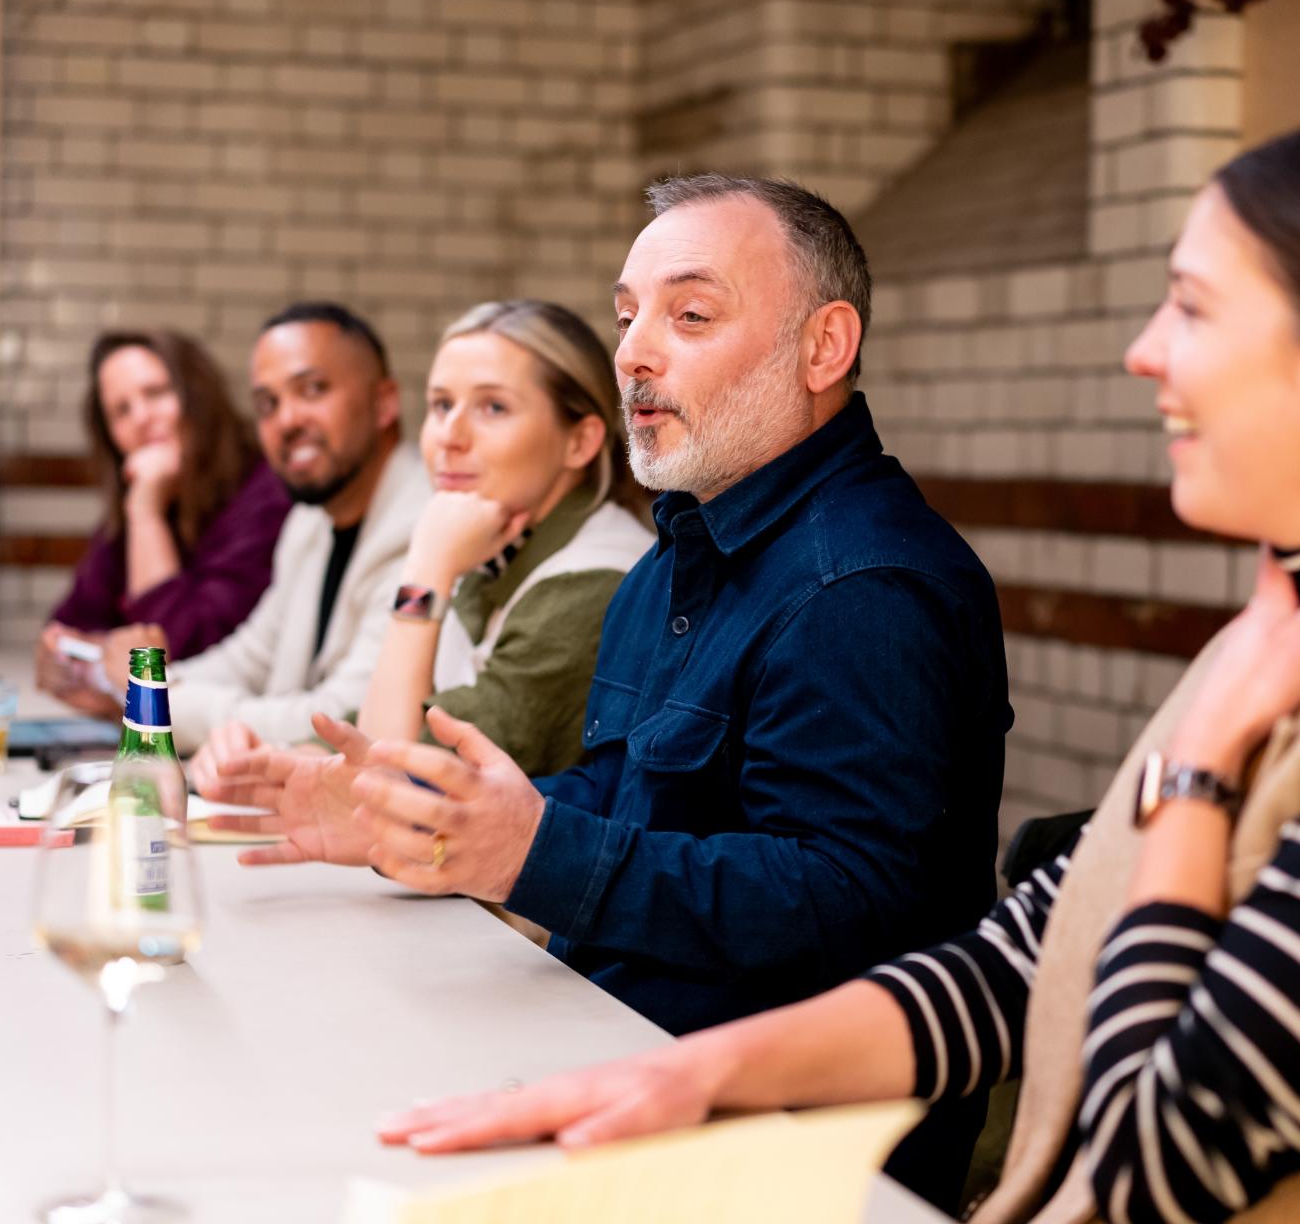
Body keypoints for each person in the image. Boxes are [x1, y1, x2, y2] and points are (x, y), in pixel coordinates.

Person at [369, 123, 1300, 1224]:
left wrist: (1196, 784)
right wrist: (688, 1076)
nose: (1144, 351)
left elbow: (1165, 1155)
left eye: (1192, 308)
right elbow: (1029, 955)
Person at [213, 176, 1012, 1207]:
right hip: (610, 1050)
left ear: (824, 348)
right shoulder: (672, 560)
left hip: (789, 1154)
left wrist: (533, 851)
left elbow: (849, 904)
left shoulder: (864, 585)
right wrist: (433, 822)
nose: (634, 351)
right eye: (628, 314)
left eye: (691, 315)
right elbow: (625, 792)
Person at [189, 299, 652, 798]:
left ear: (579, 442)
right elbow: (371, 730)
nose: (450, 436)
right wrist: (266, 762)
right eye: (441, 405)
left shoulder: (591, 583)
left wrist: (426, 570)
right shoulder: (495, 543)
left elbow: (393, 776)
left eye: (493, 407)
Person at [168, 301, 429, 752]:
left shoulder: (427, 528)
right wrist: (147, 685)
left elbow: (345, 719)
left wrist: (164, 707)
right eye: (268, 404)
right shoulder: (309, 521)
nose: (286, 420)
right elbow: (250, 657)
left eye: (312, 389)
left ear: (384, 403)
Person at [36, 330, 289, 711]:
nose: (141, 417)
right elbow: (73, 623)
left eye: (155, 393)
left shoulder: (267, 495)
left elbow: (180, 655)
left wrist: (147, 514)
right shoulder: (132, 509)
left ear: (197, 395)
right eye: (121, 411)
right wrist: (60, 656)